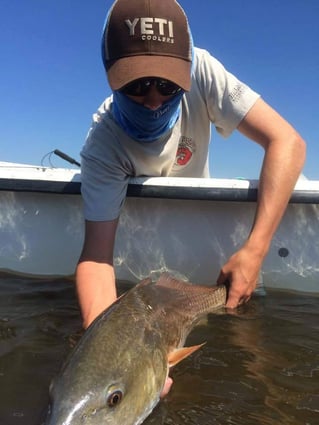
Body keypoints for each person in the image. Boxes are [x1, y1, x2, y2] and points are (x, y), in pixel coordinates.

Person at [76, 0, 306, 330]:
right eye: (137, 85)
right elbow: (97, 259)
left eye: (168, 85)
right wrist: (103, 346)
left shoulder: (203, 71)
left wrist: (256, 249)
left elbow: (288, 142)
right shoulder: (103, 142)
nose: (154, 100)